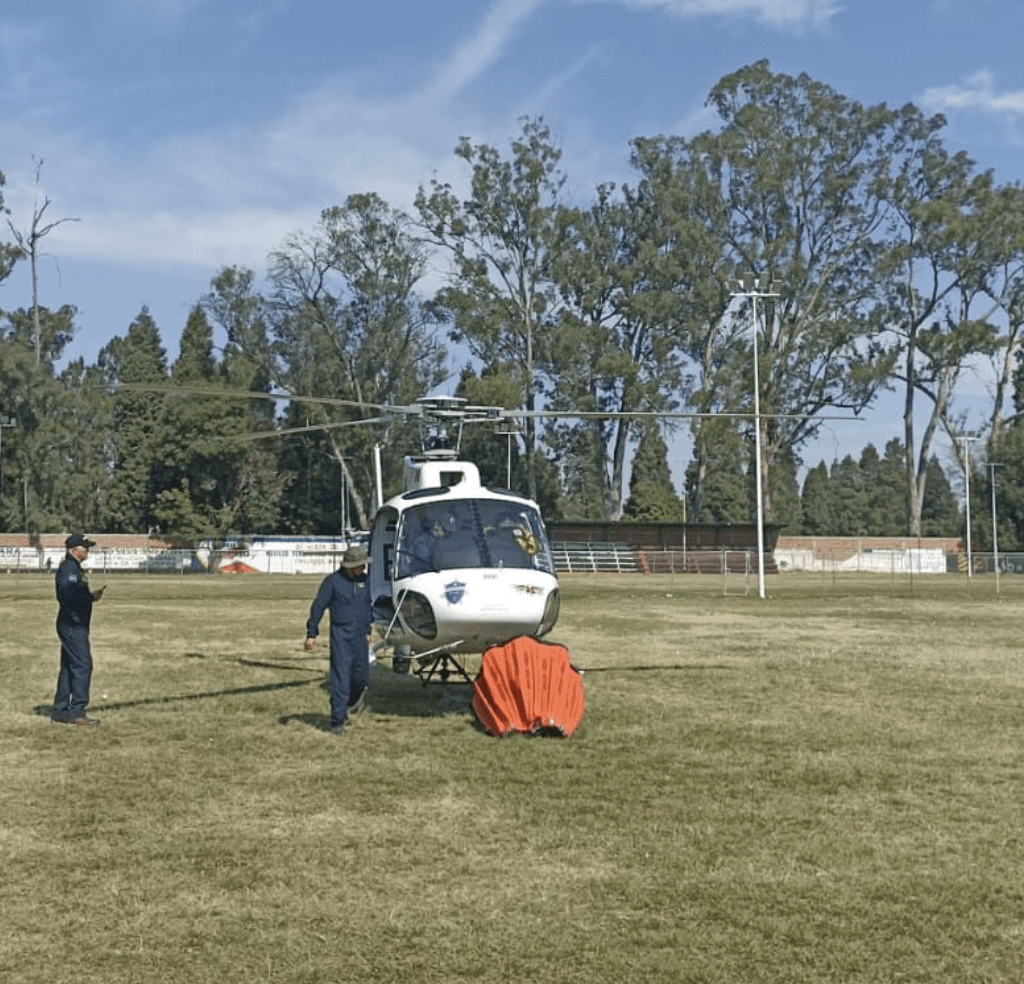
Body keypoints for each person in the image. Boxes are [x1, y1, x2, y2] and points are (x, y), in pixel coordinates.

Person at [304, 544, 372, 734]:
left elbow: (368, 606)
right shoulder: (332, 582)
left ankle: (348, 704)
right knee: (341, 677)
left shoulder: (365, 581)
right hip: (341, 635)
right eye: (361, 565)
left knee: (360, 678)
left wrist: (368, 628)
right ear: (350, 566)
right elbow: (318, 607)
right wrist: (312, 633)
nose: (364, 568)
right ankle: (337, 721)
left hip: (360, 636)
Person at [51, 533, 106, 726]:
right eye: (85, 548)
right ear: (75, 550)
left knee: (69, 667)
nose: (88, 551)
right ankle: (76, 711)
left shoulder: (74, 568)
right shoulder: (69, 570)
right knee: (83, 665)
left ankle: (61, 710)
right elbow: (69, 597)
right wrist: (90, 598)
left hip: (74, 623)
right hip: (72, 624)